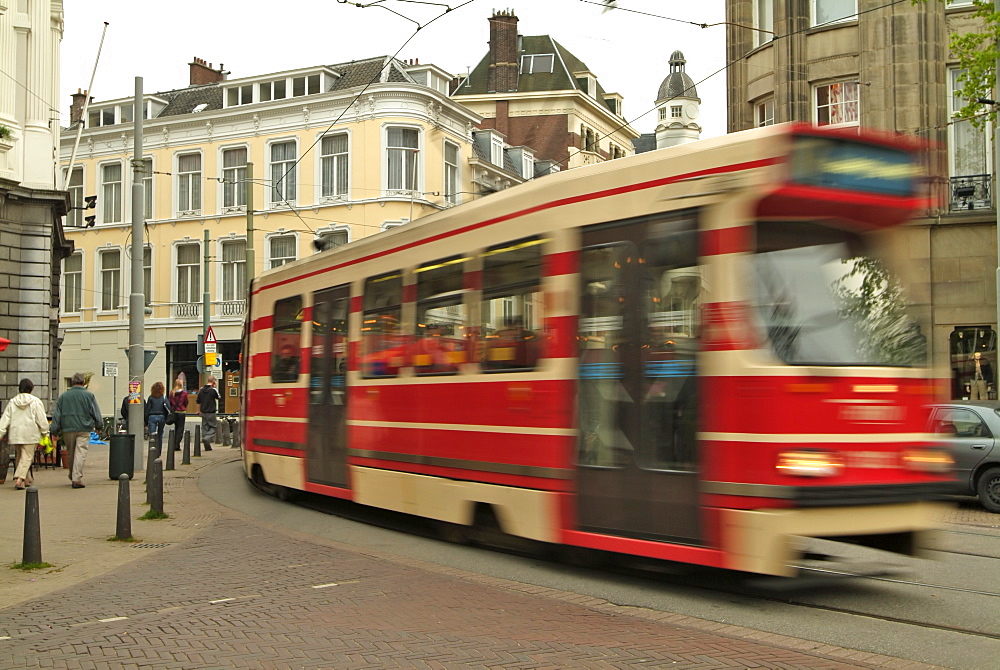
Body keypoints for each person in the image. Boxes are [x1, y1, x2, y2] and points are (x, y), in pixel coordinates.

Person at [50, 372, 102, 489]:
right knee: (80, 452)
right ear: (83, 382)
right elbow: (95, 412)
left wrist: (54, 431)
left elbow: (57, 415)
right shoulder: (89, 396)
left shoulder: (63, 397)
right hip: (84, 428)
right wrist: (99, 425)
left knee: (71, 453)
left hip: (68, 428)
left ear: (72, 382)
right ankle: (76, 477)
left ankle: (73, 475)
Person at [0, 379, 50, 490]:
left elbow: (5, 418)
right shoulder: (35, 401)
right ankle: (19, 479)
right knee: (27, 457)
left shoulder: (13, 401)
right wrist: (45, 432)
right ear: (31, 388)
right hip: (30, 433)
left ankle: (26, 479)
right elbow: (41, 418)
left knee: (19, 456)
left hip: (16, 433)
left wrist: (1, 432)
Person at [196, 375, 221, 451]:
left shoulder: (201, 390)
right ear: (213, 382)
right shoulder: (213, 390)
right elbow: (219, 397)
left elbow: (198, 401)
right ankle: (206, 438)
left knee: (205, 427)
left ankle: (207, 447)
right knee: (213, 427)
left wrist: (198, 411)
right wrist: (215, 387)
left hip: (203, 412)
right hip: (211, 412)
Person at [144, 382, 170, 455]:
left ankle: (152, 451)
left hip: (152, 416)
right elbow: (168, 408)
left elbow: (147, 409)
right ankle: (158, 452)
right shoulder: (163, 397)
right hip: (161, 416)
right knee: (160, 434)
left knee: (152, 435)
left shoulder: (151, 397)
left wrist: (146, 421)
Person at [168, 379, 189, 451]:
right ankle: (177, 444)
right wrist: (183, 407)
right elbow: (186, 402)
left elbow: (170, 402)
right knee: (180, 429)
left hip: (174, 412)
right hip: (181, 412)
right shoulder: (184, 393)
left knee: (176, 427)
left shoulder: (172, 393)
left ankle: (174, 443)